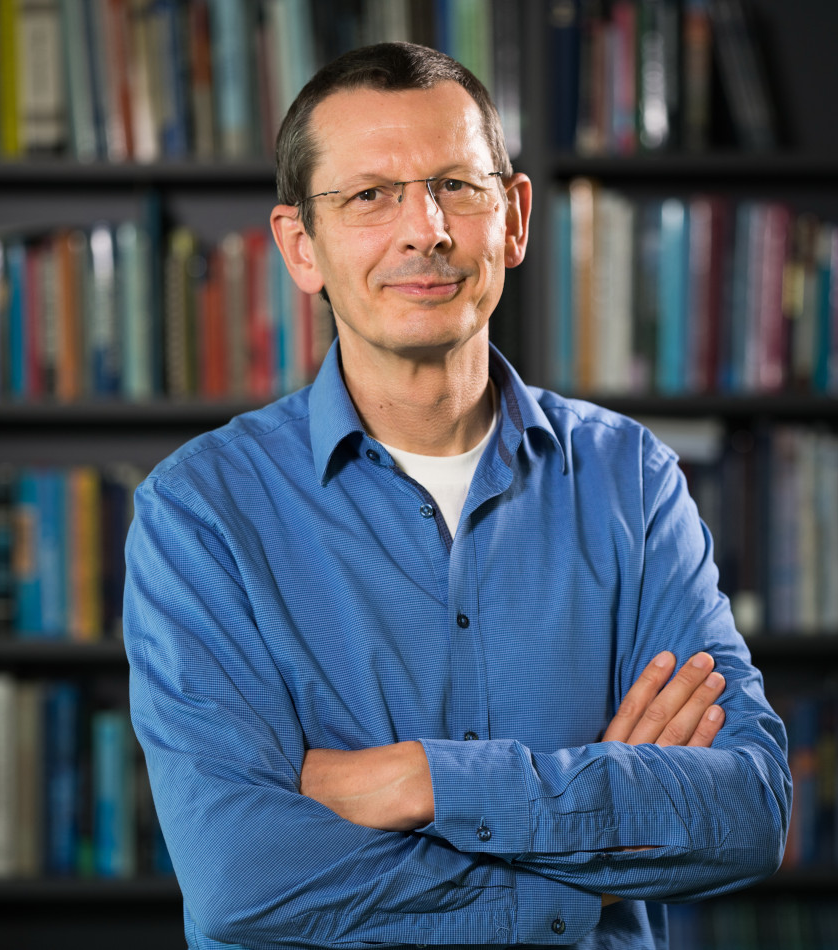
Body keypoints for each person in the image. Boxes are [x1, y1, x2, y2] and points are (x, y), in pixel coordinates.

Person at [123, 42, 790, 950]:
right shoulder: (201, 515)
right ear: (299, 247)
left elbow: (747, 814)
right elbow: (243, 878)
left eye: (457, 187)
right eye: (369, 196)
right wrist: (581, 861)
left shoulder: (629, 480)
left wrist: (422, 782)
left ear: (513, 219)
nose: (424, 230)